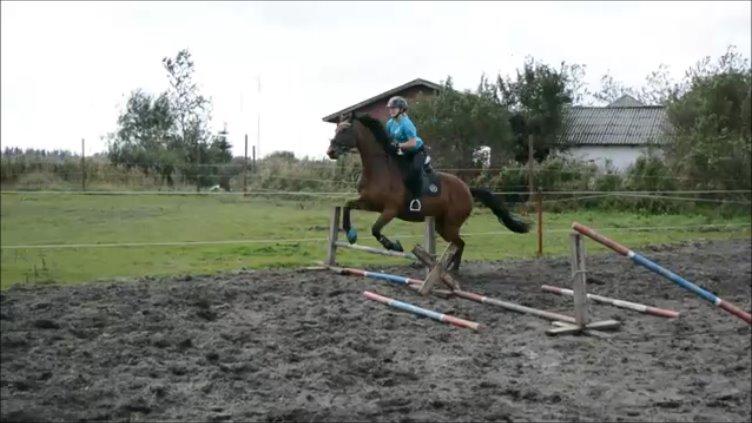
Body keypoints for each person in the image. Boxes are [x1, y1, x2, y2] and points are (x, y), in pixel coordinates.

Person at [385, 96, 427, 212]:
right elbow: (388, 139)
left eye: (394, 108)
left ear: (402, 109)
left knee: (415, 169)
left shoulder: (407, 124)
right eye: (390, 108)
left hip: (417, 151)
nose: (391, 110)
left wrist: (398, 145)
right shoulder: (390, 123)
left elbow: (413, 143)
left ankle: (416, 199)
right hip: (404, 151)